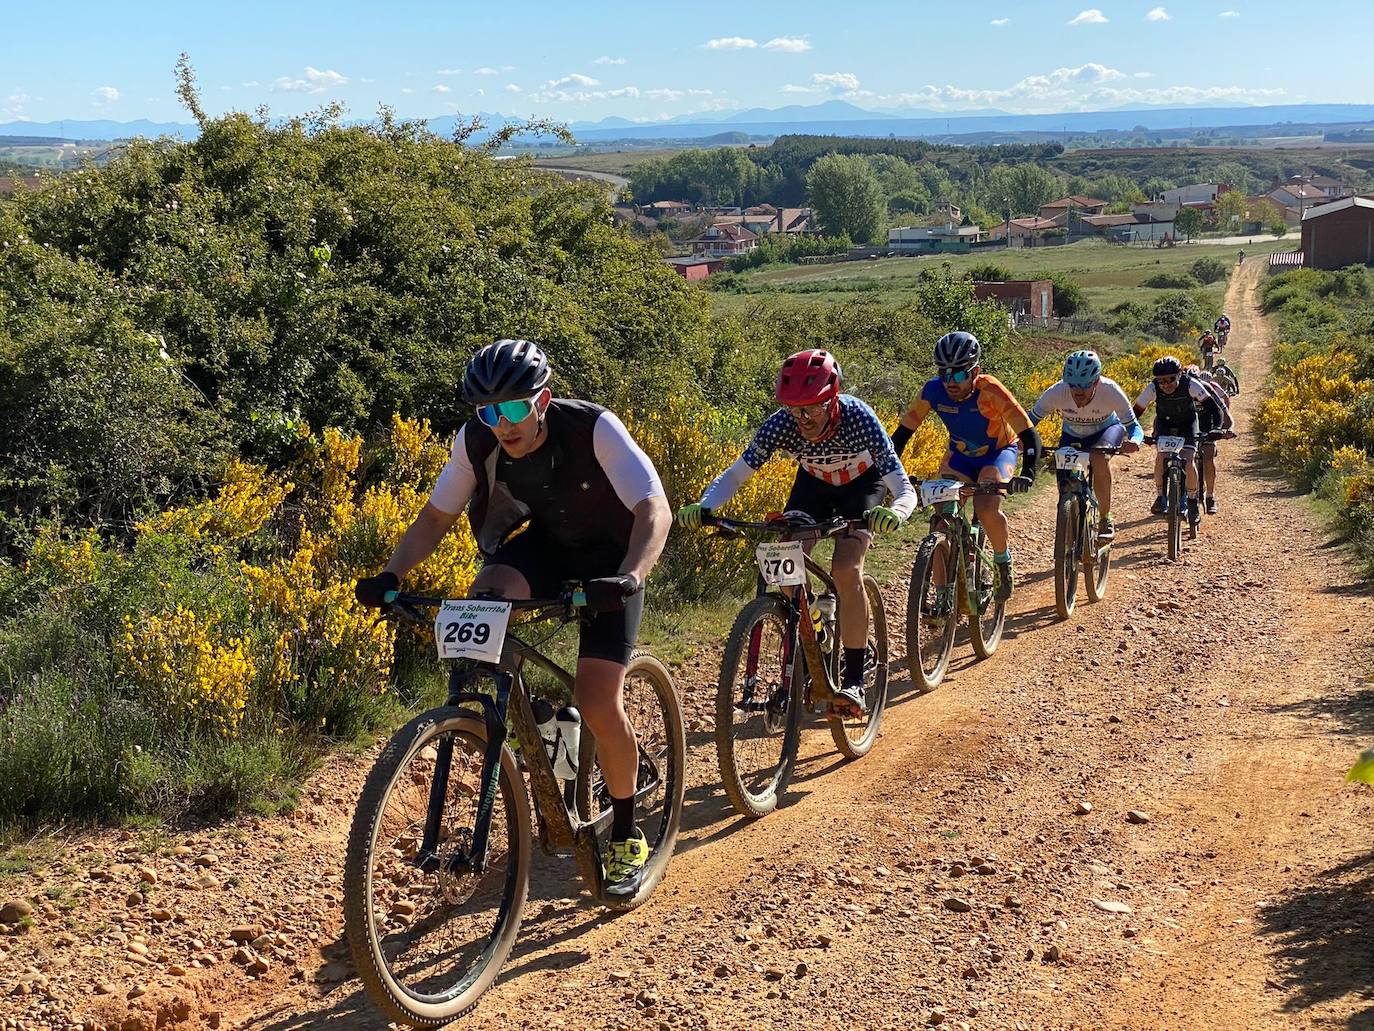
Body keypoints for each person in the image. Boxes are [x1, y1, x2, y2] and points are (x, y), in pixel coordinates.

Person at [354, 339, 672, 896]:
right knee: (487, 596)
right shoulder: (476, 442)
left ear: (542, 400)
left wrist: (631, 577)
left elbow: (654, 508)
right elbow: (435, 517)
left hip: (615, 560)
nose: (502, 424)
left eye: (514, 408)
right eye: (488, 412)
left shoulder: (594, 429)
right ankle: (541, 721)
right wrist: (392, 574)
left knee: (599, 698)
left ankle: (624, 834)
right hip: (548, 548)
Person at [677, 349, 916, 718]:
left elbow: (903, 488)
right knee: (784, 562)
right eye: (794, 409)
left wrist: (895, 513)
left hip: (862, 487)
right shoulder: (781, 424)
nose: (802, 418)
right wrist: (706, 504)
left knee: (846, 568)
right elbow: (738, 474)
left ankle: (853, 679)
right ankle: (815, 631)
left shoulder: (860, 418)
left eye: (812, 409)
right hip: (814, 487)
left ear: (832, 399)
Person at [892, 331, 1041, 601]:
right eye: (944, 374)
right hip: (960, 456)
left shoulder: (991, 390)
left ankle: (1001, 561)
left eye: (959, 374)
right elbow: (902, 435)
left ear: (975, 372)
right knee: (940, 522)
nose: (951, 382)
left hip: (997, 453)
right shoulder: (932, 391)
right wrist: (889, 472)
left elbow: (1029, 433)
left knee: (985, 508)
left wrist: (1029, 472)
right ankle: (942, 596)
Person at [1028, 350, 1142, 542]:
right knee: (1064, 483)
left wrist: (1134, 442)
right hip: (1073, 433)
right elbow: (1029, 422)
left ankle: (1106, 518)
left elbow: (1133, 426)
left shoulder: (1110, 390)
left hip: (1106, 430)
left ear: (1096, 382)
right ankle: (1070, 514)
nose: (1078, 392)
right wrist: (1021, 441)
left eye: (1084, 386)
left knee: (1099, 459)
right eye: (1073, 386)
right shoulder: (1057, 391)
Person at [1133, 355, 1225, 522]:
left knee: (1188, 460)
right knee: (1161, 457)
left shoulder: (1191, 384)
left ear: (1180, 375)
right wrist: (1134, 433)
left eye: (1170, 379)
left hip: (1188, 424)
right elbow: (1135, 413)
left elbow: (1214, 409)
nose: (1166, 385)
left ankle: (1191, 502)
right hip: (1164, 424)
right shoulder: (1153, 388)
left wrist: (1217, 428)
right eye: (1161, 381)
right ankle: (1161, 496)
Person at [1190, 366, 1236, 515]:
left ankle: (1210, 496)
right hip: (1188, 426)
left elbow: (1223, 411)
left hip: (1207, 426)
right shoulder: (1181, 390)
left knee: (1208, 457)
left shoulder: (1207, 388)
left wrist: (1226, 429)